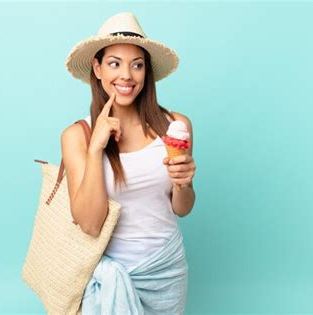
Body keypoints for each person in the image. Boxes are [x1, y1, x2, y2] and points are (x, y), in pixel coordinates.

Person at [61, 12, 196, 314]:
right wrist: (96, 148)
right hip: (108, 280)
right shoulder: (77, 137)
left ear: (146, 72)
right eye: (114, 63)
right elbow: (91, 224)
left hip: (166, 272)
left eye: (137, 65)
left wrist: (184, 184)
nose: (126, 76)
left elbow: (182, 208)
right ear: (97, 68)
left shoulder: (174, 126)